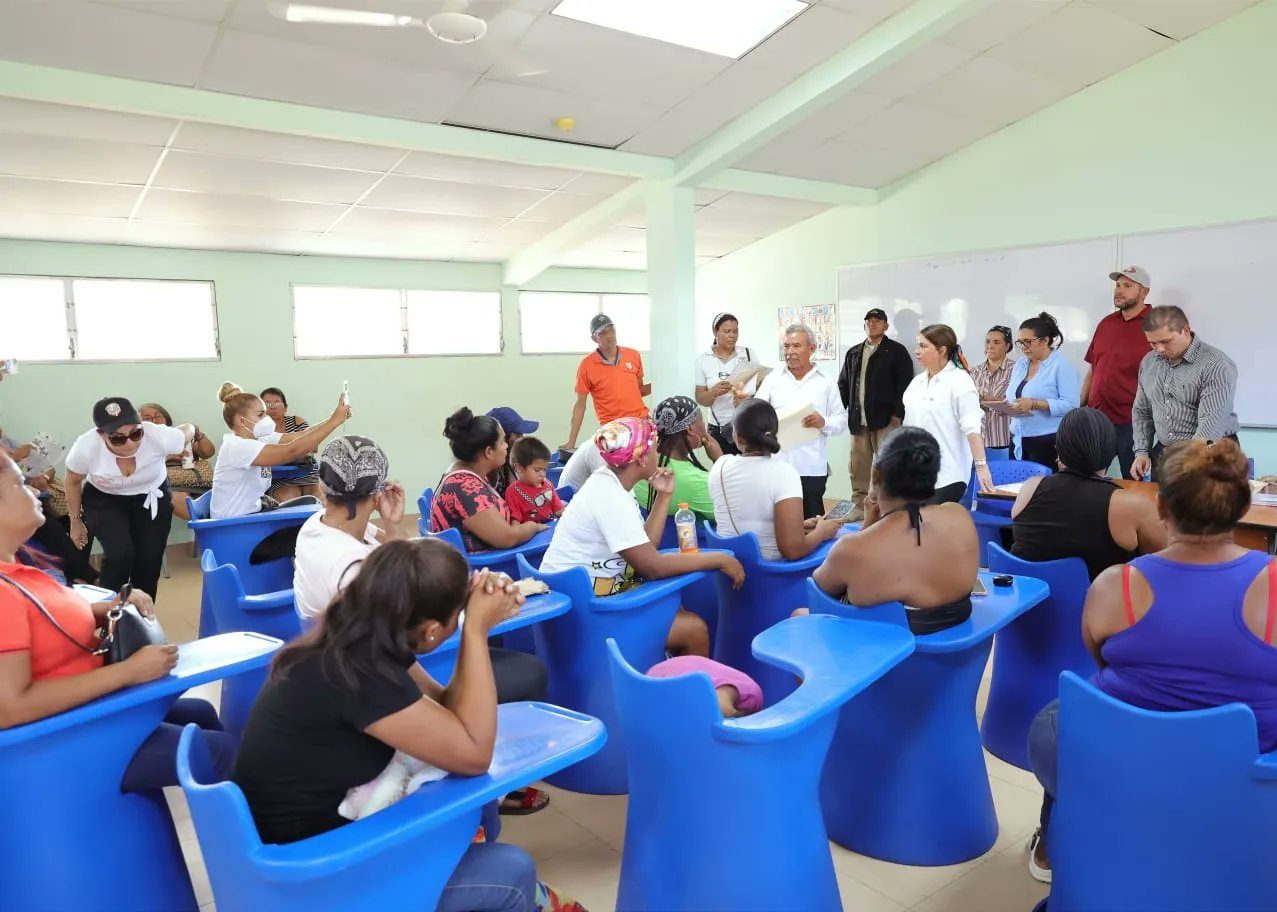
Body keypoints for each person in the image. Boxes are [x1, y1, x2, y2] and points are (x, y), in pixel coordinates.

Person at [234, 540, 584, 911]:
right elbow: (474, 753)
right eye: (457, 613)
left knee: (479, 813)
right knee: (511, 871)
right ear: (432, 630)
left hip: (312, 842)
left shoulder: (364, 635)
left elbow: (448, 711)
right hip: (314, 875)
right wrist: (477, 631)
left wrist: (468, 618)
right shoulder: (359, 674)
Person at [1025, 439, 1277, 884]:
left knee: (1056, 718)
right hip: (1246, 779)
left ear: (1160, 507)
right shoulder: (1273, 584)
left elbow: (1099, 657)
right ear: (1240, 510)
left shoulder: (1114, 586)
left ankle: (1055, 843)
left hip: (1123, 766)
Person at [293, 436, 551, 813]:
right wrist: (476, 621)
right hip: (374, 668)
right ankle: (486, 790)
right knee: (525, 673)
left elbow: (398, 577)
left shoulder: (320, 527)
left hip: (365, 656)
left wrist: (392, 526)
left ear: (321, 488)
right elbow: (417, 620)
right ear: (378, 490)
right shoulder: (349, 569)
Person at [0, 450, 235, 786]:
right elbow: (9, 708)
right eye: (21, 484)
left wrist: (111, 604)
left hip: (89, 713)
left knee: (200, 713)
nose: (36, 490)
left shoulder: (19, 572)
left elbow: (42, 616)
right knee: (224, 752)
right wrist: (130, 671)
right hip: (68, 739)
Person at [539, 418, 745, 657]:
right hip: (587, 612)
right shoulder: (610, 497)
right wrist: (720, 559)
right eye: (655, 448)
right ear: (641, 458)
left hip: (587, 597)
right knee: (694, 629)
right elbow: (652, 567)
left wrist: (664, 496)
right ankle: (683, 694)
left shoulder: (613, 484)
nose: (658, 453)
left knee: (675, 607)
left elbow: (646, 547)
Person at [812, 427, 980, 634]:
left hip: (880, 657)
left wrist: (867, 527)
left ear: (875, 475)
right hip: (957, 653)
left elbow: (818, 595)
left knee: (799, 614)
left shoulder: (853, 549)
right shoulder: (960, 516)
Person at [1010, 408, 1166, 580]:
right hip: (1097, 604)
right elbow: (1164, 561)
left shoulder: (1030, 488)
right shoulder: (1127, 504)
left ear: (1059, 448)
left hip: (1028, 602)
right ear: (1110, 448)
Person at [63, 397, 188, 600]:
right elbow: (72, 481)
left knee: (149, 560)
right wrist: (75, 522)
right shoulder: (86, 446)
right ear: (101, 434)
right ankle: (108, 614)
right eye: (118, 438)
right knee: (119, 555)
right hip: (105, 500)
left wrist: (193, 429)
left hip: (151, 496)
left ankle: (142, 618)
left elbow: (186, 431)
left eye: (136, 433)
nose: (130, 443)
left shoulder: (157, 434)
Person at [708, 399, 842, 561]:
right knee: (839, 547)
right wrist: (821, 533)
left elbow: (749, 518)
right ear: (775, 433)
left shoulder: (720, 466)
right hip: (772, 574)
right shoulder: (783, 473)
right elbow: (793, 550)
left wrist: (798, 526)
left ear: (737, 437)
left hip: (727, 571)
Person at [1131, 305, 1240, 482]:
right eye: (1153, 343)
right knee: (1162, 507)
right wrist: (1142, 452)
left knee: (1205, 508)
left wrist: (1182, 467)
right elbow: (1142, 411)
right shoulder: (1149, 362)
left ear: (1186, 330)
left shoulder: (1216, 364)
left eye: (1166, 341)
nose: (1159, 349)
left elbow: (1210, 427)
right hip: (1166, 452)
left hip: (1210, 453)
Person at [212, 383, 350, 520]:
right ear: (242, 421)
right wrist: (334, 421)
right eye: (261, 415)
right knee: (310, 521)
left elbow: (301, 435)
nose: (266, 419)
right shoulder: (238, 446)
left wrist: (333, 419)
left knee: (313, 504)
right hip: (235, 524)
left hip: (251, 513)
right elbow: (293, 450)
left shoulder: (259, 439)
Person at [753, 324, 848, 519]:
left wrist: (823, 422)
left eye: (796, 346)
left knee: (813, 521)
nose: (790, 352)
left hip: (811, 466)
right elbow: (757, 413)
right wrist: (745, 403)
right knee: (778, 520)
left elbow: (841, 421)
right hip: (777, 464)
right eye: (787, 346)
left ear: (811, 349)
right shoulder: (772, 380)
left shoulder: (826, 382)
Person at [431, 409, 548, 552]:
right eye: (502, 442)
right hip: (484, 565)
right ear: (488, 452)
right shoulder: (464, 487)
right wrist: (533, 527)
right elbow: (507, 538)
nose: (506, 446)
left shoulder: (469, 473)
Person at [837, 308, 916, 521]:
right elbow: (843, 383)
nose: (872, 324)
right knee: (858, 466)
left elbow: (905, 384)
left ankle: (887, 507)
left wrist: (898, 413)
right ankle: (859, 507)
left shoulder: (896, 351)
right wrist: (847, 409)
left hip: (885, 420)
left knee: (886, 465)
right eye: (869, 321)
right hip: (858, 420)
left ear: (886, 325)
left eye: (877, 321)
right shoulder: (853, 352)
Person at [902, 325, 995, 502]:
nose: (917, 351)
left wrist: (982, 467)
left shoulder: (960, 381)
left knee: (930, 524)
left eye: (923, 346)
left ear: (942, 350)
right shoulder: (916, 383)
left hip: (947, 476)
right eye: (917, 345)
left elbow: (972, 428)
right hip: (916, 474)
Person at [1080, 266, 1153, 479]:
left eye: (1128, 286)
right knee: (1085, 477)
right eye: (1118, 285)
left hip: (1132, 422)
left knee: (1134, 482)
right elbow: (1093, 369)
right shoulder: (1106, 323)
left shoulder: (1155, 325)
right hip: (1097, 418)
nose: (1119, 291)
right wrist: (1080, 408)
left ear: (1144, 292)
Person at [563, 314, 649, 452]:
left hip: (640, 423)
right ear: (594, 338)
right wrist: (571, 442)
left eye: (611, 330)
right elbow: (580, 405)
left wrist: (663, 383)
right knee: (621, 470)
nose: (609, 336)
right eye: (603, 333)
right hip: (612, 429)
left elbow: (639, 390)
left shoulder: (633, 355)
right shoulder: (587, 365)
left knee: (645, 467)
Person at [1005, 312, 1080, 468]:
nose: (1024, 348)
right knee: (1016, 489)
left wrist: (1035, 403)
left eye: (1028, 342)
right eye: (1020, 342)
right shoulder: (1020, 364)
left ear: (1045, 341)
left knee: (1042, 489)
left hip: (1047, 441)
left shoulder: (1061, 366)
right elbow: (1013, 396)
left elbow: (1072, 405)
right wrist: (1007, 407)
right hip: (1018, 438)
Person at [634, 396, 721, 524]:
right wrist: (719, 460)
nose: (704, 425)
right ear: (690, 429)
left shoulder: (642, 463)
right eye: (701, 421)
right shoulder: (694, 479)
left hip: (658, 538)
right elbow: (729, 516)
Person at [694, 313, 764, 456]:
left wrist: (747, 397)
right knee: (722, 470)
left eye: (735, 331)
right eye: (727, 331)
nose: (732, 335)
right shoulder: (703, 360)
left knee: (748, 468)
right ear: (715, 332)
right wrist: (713, 392)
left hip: (746, 423)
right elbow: (700, 399)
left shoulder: (748, 354)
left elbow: (761, 386)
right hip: (718, 428)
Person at [138, 402, 215, 522]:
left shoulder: (180, 436)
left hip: (198, 482)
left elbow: (208, 453)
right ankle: (208, 526)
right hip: (171, 486)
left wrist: (198, 434)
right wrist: (168, 456)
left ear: (166, 419)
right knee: (174, 497)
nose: (153, 421)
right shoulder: (140, 444)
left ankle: (208, 527)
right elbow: (141, 468)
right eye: (147, 418)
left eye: (158, 416)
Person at [260, 387, 322, 502]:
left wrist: (287, 455)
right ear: (260, 409)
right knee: (289, 498)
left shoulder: (296, 422)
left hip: (305, 472)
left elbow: (313, 446)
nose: (272, 406)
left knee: (317, 498)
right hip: (277, 476)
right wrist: (295, 451)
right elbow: (262, 458)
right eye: (267, 403)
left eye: (277, 402)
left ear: (285, 407)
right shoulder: (259, 429)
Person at [970, 325, 1015, 458]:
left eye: (996, 342)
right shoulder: (974, 371)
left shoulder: (1017, 369)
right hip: (978, 438)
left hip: (1004, 438)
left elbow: (1013, 402)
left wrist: (983, 399)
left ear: (1007, 346)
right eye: (988, 341)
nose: (990, 346)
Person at [504, 437, 565, 524]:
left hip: (550, 528)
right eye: (537, 470)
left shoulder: (547, 484)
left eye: (544, 470)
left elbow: (559, 510)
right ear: (519, 468)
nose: (542, 474)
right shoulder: (513, 492)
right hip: (532, 535)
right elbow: (515, 523)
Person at [486, 407, 540, 496]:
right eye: (518, 435)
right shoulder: (492, 471)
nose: (522, 438)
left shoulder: (511, 461)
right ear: (503, 438)